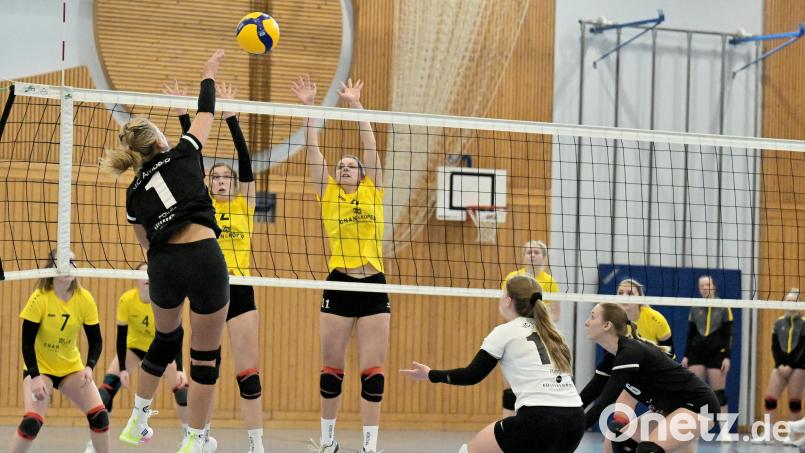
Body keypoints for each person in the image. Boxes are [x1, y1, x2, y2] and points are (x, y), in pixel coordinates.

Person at [101, 49, 229, 453]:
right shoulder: (185, 152)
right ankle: (195, 437)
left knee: (164, 339)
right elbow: (206, 111)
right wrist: (208, 71)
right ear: (160, 140)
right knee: (204, 358)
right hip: (203, 256)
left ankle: (138, 421)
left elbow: (145, 245)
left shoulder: (133, 192)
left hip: (164, 266)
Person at [163, 79, 265, 453]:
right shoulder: (201, 206)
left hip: (239, 288)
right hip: (208, 288)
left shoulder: (245, 205)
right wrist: (183, 115)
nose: (221, 181)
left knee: (248, 373)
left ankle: (256, 444)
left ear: (234, 185)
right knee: (207, 369)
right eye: (216, 177)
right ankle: (201, 437)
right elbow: (193, 161)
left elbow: (246, 161)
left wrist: (232, 118)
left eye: (226, 178)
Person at [292, 75, 387, 453]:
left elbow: (370, 145)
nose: (345, 168)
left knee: (373, 372)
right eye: (341, 166)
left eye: (351, 166)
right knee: (332, 369)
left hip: (374, 282)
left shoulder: (373, 191)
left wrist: (356, 104)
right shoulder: (328, 193)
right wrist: (310, 109)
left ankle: (369, 446)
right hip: (339, 282)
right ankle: (328, 441)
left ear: (362, 174)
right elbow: (313, 149)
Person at [400, 275, 584, 453]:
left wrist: (430, 374)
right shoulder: (553, 333)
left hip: (538, 419)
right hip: (575, 422)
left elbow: (471, 375)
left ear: (508, 301)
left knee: (470, 450)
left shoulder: (504, 331)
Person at [9, 250, 109, 453]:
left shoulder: (84, 299)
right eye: (64, 261)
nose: (69, 265)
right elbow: (27, 343)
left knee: (100, 417)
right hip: (41, 368)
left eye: (73, 261)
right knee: (31, 423)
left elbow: (96, 341)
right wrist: (35, 377)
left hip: (70, 368)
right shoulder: (39, 298)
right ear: (52, 268)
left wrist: (89, 367)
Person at [583, 303, 719, 453]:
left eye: (592, 317)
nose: (586, 322)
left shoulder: (630, 352)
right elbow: (589, 393)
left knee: (648, 449)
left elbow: (605, 401)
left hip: (700, 406)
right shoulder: (613, 357)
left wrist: (575, 431)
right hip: (670, 409)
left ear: (607, 325)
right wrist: (570, 416)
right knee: (620, 441)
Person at [93, 263, 189, 436]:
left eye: (150, 273)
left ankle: (189, 436)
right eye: (143, 274)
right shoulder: (127, 300)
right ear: (135, 278)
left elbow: (176, 335)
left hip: (161, 349)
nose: (147, 277)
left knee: (183, 392)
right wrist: (123, 369)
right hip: (135, 348)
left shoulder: (165, 300)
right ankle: (97, 441)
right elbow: (121, 337)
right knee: (105, 392)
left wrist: (180, 369)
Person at [500, 240, 561, 416]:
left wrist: (535, 324)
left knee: (536, 384)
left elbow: (556, 314)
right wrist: (522, 324)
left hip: (539, 339)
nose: (532, 255)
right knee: (510, 387)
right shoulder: (512, 278)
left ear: (544, 257)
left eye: (536, 252)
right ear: (523, 256)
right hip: (514, 336)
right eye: (528, 252)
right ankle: (508, 424)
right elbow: (503, 308)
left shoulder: (550, 282)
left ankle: (532, 423)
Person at [682, 275, 733, 438]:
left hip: (716, 354)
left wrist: (727, 357)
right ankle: (693, 430)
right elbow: (690, 334)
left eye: (707, 285)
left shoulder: (724, 306)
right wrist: (686, 356)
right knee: (695, 393)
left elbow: (729, 334)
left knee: (719, 394)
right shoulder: (695, 307)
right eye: (702, 286)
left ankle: (724, 431)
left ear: (714, 286)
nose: (705, 288)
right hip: (696, 354)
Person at [756, 288, 804, 444]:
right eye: (787, 301)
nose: (789, 304)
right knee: (770, 399)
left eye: (793, 301)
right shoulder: (778, 322)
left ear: (799, 303)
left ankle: (792, 436)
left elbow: (802, 348)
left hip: (799, 365)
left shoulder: (803, 323)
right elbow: (775, 347)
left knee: (794, 402)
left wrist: (790, 365)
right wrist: (780, 364)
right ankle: (768, 434)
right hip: (781, 365)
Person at [616, 279, 674, 356]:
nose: (624, 297)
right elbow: (610, 356)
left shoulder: (655, 318)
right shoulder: (612, 319)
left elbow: (670, 354)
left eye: (630, 293)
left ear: (640, 297)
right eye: (620, 293)